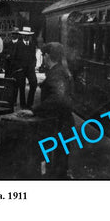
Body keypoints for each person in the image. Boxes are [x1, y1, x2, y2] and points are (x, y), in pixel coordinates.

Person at [19, 42, 75, 179]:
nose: (43, 58)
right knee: (59, 162)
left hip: (59, 125)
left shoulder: (57, 73)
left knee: (56, 164)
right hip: (64, 123)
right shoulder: (60, 70)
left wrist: (34, 110)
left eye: (43, 55)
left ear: (48, 56)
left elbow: (58, 97)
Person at [14, 26, 37, 109]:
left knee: (34, 84)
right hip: (21, 69)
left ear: (30, 36)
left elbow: (34, 57)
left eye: (28, 35)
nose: (26, 37)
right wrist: (18, 67)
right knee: (21, 86)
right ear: (22, 36)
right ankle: (23, 105)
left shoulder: (32, 45)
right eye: (24, 35)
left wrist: (33, 65)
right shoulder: (18, 45)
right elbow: (14, 57)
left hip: (30, 69)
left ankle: (29, 104)